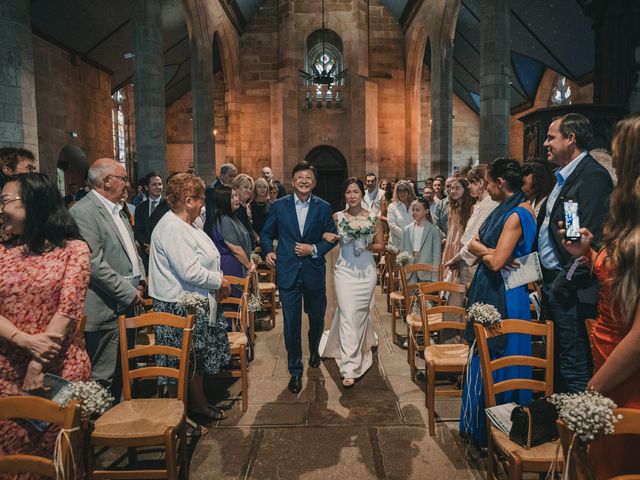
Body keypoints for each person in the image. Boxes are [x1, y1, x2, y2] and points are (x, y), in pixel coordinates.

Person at [559, 113, 640, 479]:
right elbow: (621, 281)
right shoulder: (630, 222)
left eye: (620, 158)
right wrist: (589, 255)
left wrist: (591, 391)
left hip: (624, 377)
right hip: (607, 363)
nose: (614, 167)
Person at [0, 173, 91, 463]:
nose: (0, 210)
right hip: (6, 371)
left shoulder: (73, 250)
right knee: (12, 460)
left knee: (57, 460)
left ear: (34, 204)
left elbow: (68, 308)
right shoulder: (2, 251)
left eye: (5, 201)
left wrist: (37, 364)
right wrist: (23, 340)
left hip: (58, 369)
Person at [460, 158, 537, 448]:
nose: (487, 186)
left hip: (505, 294)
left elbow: (495, 261)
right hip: (498, 287)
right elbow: (482, 245)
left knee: (500, 357)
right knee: (484, 354)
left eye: (489, 182)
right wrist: (485, 248)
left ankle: (497, 429)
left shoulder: (518, 214)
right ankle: (478, 424)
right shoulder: (504, 207)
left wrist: (481, 249)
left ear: (501, 183)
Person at [536, 113, 613, 393]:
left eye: (551, 137)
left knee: (574, 364)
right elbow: (570, 233)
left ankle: (577, 432)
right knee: (556, 362)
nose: (545, 143)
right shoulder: (565, 176)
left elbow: (590, 242)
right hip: (554, 283)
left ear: (571, 139)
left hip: (571, 289)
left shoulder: (592, 177)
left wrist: (561, 285)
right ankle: (559, 424)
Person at [148, 173, 231, 426]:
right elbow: (189, 271)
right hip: (176, 306)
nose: (203, 204)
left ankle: (199, 404)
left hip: (192, 303)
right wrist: (220, 282)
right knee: (179, 366)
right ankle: (179, 420)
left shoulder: (188, 224)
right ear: (187, 200)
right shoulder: (172, 227)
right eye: (200, 199)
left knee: (194, 361)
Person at [70, 158, 145, 399]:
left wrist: (142, 280)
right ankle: (98, 431)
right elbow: (93, 263)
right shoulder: (83, 211)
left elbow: (132, 249)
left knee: (125, 370)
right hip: (105, 306)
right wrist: (129, 292)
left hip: (128, 302)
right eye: (123, 178)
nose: (128, 184)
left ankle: (122, 424)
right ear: (105, 181)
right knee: (103, 376)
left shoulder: (119, 209)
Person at [260, 161, 338, 394]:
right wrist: (268, 251)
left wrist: (313, 249)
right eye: (299, 178)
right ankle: (295, 370)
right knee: (292, 324)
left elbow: (331, 236)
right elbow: (266, 234)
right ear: (293, 182)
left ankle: (314, 349)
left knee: (316, 318)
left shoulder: (323, 207)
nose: (304, 181)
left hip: (313, 271)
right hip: (288, 273)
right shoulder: (279, 206)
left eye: (308, 178)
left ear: (313, 182)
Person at [319, 178, 384, 386]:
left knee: (361, 313)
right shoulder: (337, 217)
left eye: (356, 191)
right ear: (344, 195)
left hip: (366, 271)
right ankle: (349, 367)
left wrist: (367, 246)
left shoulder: (374, 218)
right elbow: (324, 234)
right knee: (347, 314)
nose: (352, 195)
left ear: (362, 193)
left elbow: (381, 245)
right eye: (348, 192)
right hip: (345, 271)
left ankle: (362, 343)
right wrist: (326, 235)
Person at [444, 164, 498, 285]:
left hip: (474, 264)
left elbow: (474, 240)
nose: (468, 186)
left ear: (481, 183)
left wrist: (456, 258)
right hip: (466, 260)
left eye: (471, 182)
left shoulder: (489, 204)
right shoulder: (480, 203)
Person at [207, 186, 255, 278]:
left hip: (238, 263)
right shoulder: (225, 220)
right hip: (231, 266)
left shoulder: (231, 217)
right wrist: (249, 266)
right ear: (223, 200)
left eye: (236, 195)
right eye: (232, 197)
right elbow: (236, 249)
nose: (236, 199)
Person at [399, 197, 442, 283]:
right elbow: (402, 252)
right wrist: (402, 274)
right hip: (409, 271)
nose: (414, 212)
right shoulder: (407, 229)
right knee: (410, 295)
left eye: (417, 210)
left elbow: (436, 256)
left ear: (426, 211)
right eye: (413, 210)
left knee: (425, 296)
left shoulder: (434, 231)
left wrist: (434, 277)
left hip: (427, 273)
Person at [441, 177, 475, 270]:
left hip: (461, 244)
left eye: (457, 188)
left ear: (465, 190)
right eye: (452, 188)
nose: (453, 191)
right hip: (451, 243)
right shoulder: (453, 207)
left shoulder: (471, 208)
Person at [134, 171, 164, 273]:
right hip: (146, 254)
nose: (158, 187)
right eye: (154, 184)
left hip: (164, 252)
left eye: (160, 184)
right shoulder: (140, 208)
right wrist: (146, 246)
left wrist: (156, 246)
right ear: (147, 187)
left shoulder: (169, 206)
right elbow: (137, 231)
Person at [231, 173, 257, 249]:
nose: (248, 191)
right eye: (245, 187)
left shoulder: (245, 207)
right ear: (236, 188)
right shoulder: (234, 208)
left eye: (250, 188)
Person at [386, 180, 415, 246]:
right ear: (396, 192)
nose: (402, 193)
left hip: (414, 243)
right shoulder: (392, 206)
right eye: (400, 191)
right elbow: (392, 226)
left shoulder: (415, 205)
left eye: (405, 190)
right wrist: (407, 237)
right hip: (397, 244)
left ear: (409, 191)